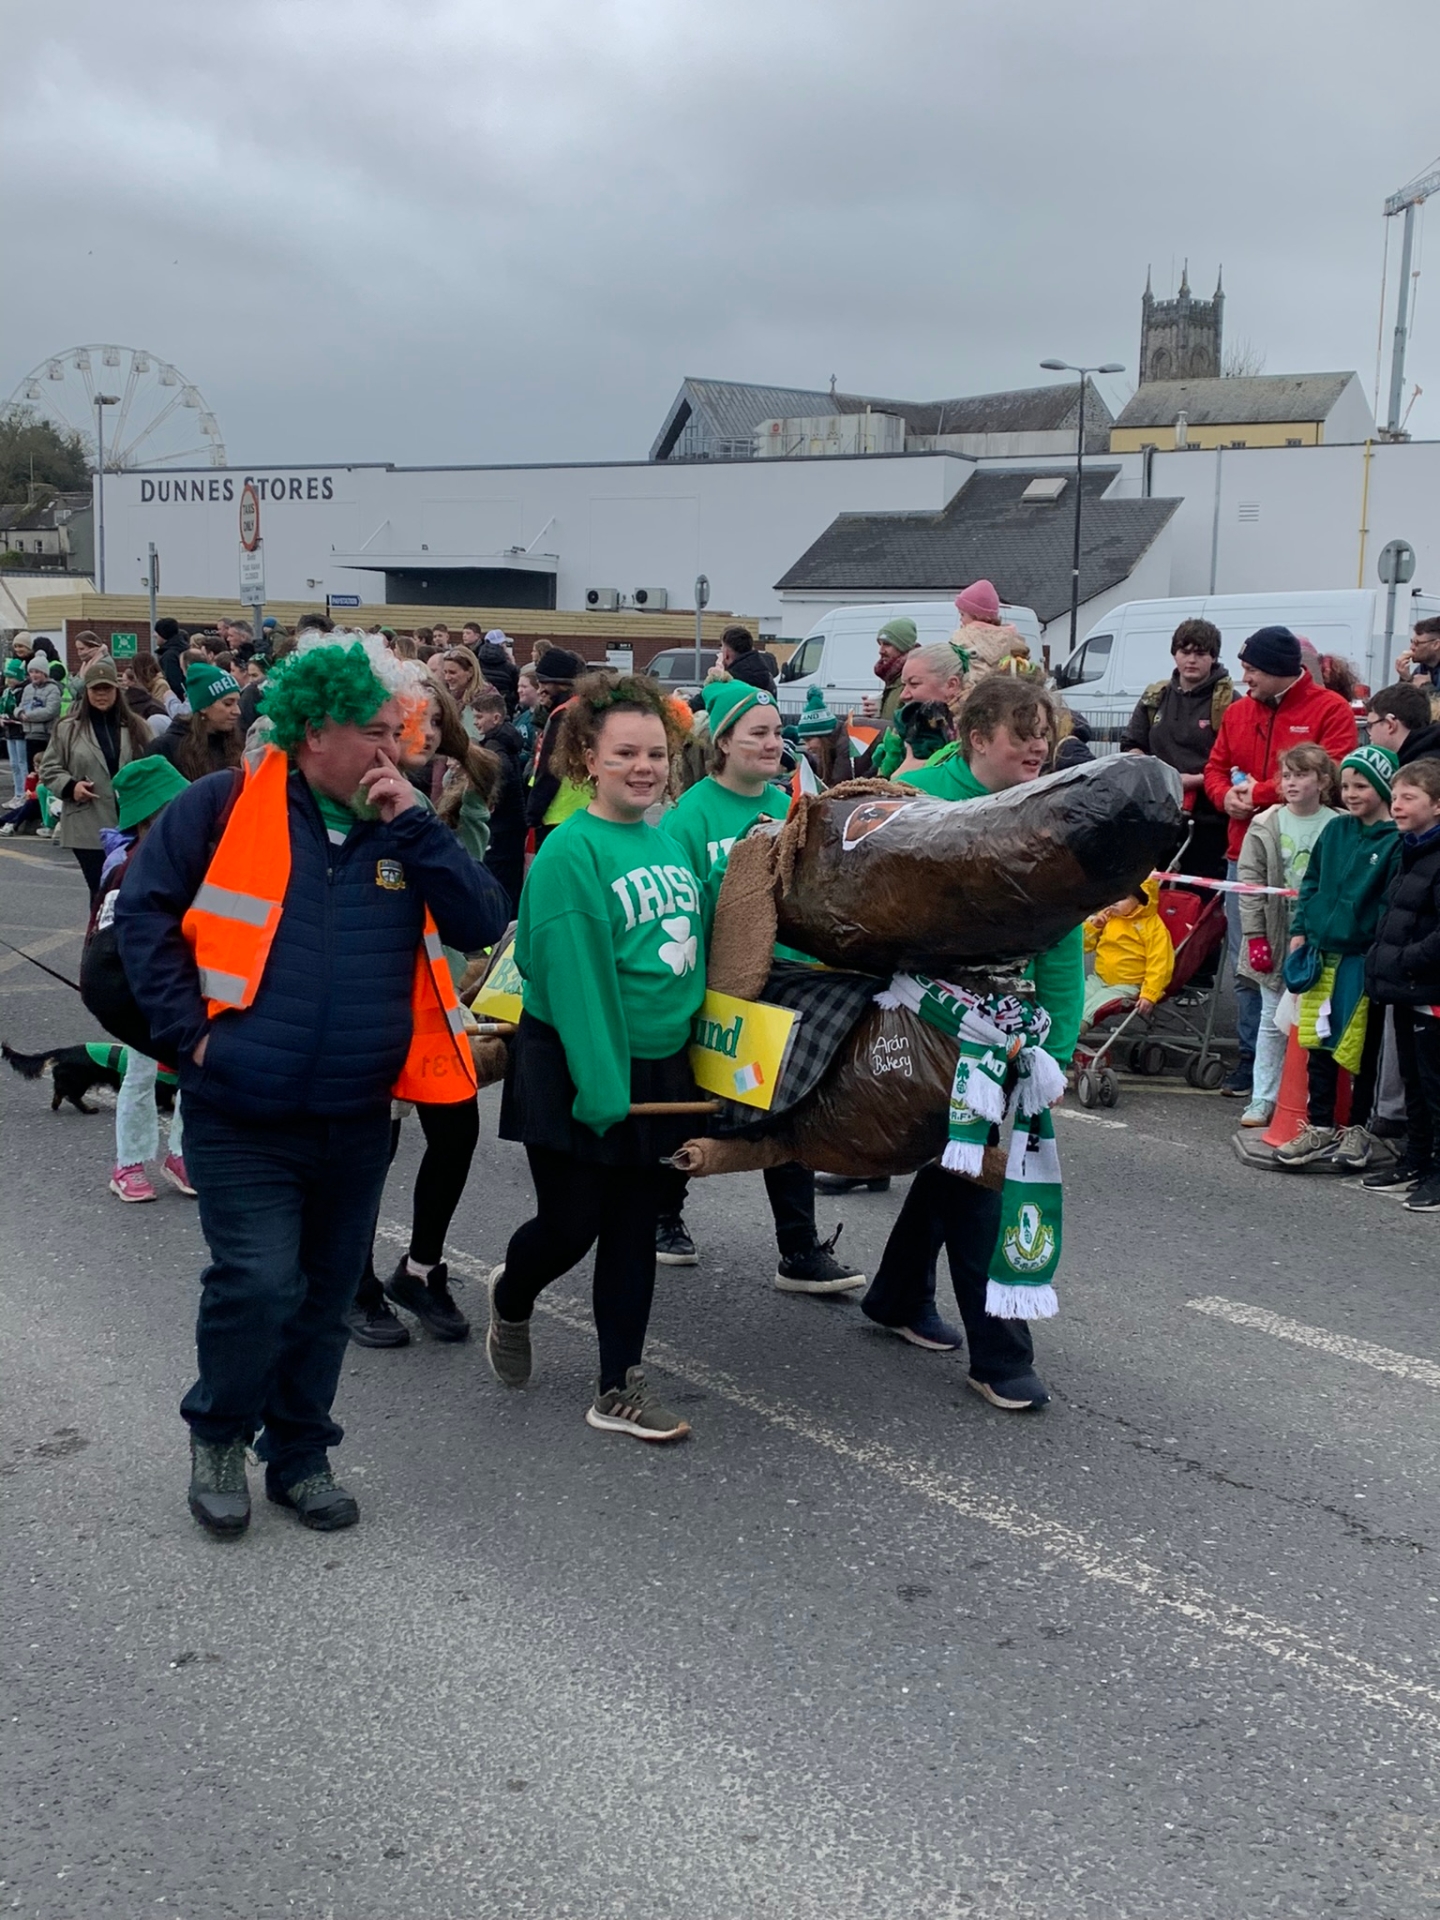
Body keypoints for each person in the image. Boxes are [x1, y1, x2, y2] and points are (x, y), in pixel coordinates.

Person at [115, 632, 509, 1537]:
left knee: (327, 1296)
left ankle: (299, 1453)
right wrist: (192, 1041)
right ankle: (220, 1435)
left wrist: (417, 825)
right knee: (257, 1283)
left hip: (356, 1113)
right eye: (375, 731)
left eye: (401, 731)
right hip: (240, 1105)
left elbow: (483, 921)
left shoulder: (404, 822)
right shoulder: (222, 805)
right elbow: (145, 916)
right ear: (315, 729)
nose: (395, 748)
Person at [485, 673, 705, 1442]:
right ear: (587, 758)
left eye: (656, 754)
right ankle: (512, 1296)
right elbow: (575, 978)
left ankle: (619, 1386)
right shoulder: (570, 850)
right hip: (578, 1061)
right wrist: (603, 1081)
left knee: (633, 1225)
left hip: (655, 1067)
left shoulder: (666, 840)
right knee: (571, 1224)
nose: (644, 767)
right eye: (625, 754)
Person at [858, 677, 1083, 1401]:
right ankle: (1002, 1358)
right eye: (1024, 733)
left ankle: (897, 1296)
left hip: (999, 1030)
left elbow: (1062, 942)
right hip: (913, 1018)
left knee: (956, 1160)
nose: (1039, 747)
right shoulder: (913, 798)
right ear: (978, 737)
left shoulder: (1047, 810)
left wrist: (1059, 1051)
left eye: (1044, 734)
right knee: (974, 1170)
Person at [659, 678, 866, 1291]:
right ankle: (662, 1215)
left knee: (793, 1107)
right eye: (758, 734)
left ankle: (798, 1250)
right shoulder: (690, 814)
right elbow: (681, 907)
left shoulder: (792, 806)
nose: (774, 743)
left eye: (778, 733)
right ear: (723, 743)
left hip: (788, 981)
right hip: (717, 985)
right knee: (699, 1105)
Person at [347, 676, 497, 1347]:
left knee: (457, 1132)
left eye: (438, 721)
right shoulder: (352, 804)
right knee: (372, 1149)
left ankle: (420, 1269)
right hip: (371, 1008)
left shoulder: (438, 795)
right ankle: (354, 1283)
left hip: (434, 1002)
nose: (427, 733)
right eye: (415, 720)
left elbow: (478, 910)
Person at [1203, 626, 1358, 1098]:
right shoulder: (1238, 711)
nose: (1245, 678)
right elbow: (1215, 767)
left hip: (1313, 865)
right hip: (1245, 856)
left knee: (1311, 962)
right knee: (1249, 964)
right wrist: (1224, 796)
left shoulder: (1330, 709)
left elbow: (1335, 771)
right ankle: (1252, 1060)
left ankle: (1307, 1065)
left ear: (1279, 670)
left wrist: (1260, 793)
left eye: (1252, 669)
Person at [1275, 745, 1401, 1173]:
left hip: (1361, 959)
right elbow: (1311, 883)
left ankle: (1359, 1128)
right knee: (1317, 1043)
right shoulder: (1335, 830)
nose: (1350, 794)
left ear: (1383, 787)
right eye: (1346, 786)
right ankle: (1320, 1126)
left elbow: (1389, 903)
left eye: (1361, 786)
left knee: (1361, 1048)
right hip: (1320, 954)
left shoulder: (1394, 841)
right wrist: (1301, 930)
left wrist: (1375, 948)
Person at [95, 757, 195, 1203]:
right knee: (139, 1074)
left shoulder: (189, 855)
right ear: (149, 819)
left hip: (190, 982)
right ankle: (128, 1163)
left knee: (194, 1073)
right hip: (143, 990)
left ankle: (181, 1154)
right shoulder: (126, 868)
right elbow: (110, 943)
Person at [1234, 744, 1343, 1129]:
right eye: (1287, 776)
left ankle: (1309, 1099)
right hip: (1276, 935)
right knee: (1271, 1020)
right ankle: (1262, 1097)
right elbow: (1249, 883)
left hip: (1321, 937)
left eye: (1301, 775)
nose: (1291, 783)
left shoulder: (1339, 824)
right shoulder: (1265, 823)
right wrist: (1255, 936)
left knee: (1318, 1020)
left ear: (1323, 782)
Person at [1364, 756, 1440, 1209]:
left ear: (1437, 805)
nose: (1396, 806)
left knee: (1435, 1084)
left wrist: (1406, 962)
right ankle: (1416, 1159)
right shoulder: (1409, 849)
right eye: (1394, 797)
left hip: (1429, 989)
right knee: (1412, 1079)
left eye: (1409, 797)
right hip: (1405, 988)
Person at [1120, 617, 1234, 883]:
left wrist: (1193, 781)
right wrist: (1151, 772)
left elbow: (1235, 761)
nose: (1191, 660)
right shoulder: (1155, 697)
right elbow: (1132, 744)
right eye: (1185, 651)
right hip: (1156, 814)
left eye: (1200, 653)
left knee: (1196, 895)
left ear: (1213, 657)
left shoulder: (1229, 703)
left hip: (1209, 821)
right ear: (1174, 654)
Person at [39, 656, 152, 897]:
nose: (102, 695)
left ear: (117, 691)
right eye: (95, 690)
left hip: (133, 822)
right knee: (101, 889)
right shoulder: (67, 728)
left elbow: (154, 767)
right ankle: (99, 924)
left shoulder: (138, 727)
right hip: (88, 824)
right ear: (87, 693)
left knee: (128, 890)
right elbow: (48, 768)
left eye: (107, 689)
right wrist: (71, 787)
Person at [1081, 879, 1174, 1025]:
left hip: (1129, 984)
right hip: (1100, 978)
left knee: (1092, 1008)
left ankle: (1075, 1031)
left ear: (1140, 900)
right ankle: (1054, 1028)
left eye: (1122, 898)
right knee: (1073, 1000)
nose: (1114, 902)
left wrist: (1150, 993)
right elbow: (1084, 946)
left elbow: (1160, 964)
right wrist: (1094, 927)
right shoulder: (1108, 916)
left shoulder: (1153, 928)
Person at [469, 685, 527, 911]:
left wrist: (488, 797)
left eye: (479, 717)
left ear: (495, 718)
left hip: (502, 827)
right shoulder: (505, 740)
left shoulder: (495, 748)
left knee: (498, 881)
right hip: (511, 825)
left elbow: (501, 774)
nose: (475, 722)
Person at [871, 643, 965, 780]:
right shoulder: (905, 728)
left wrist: (903, 778)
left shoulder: (974, 738)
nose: (903, 695)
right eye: (904, 685)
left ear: (951, 685)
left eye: (914, 684)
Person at [525, 646, 587, 843]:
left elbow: (550, 767)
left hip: (558, 812)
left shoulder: (562, 715)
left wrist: (533, 812)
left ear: (561, 684)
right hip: (585, 809)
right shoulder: (585, 707)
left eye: (543, 683)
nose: (540, 689)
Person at [147, 663, 244, 779]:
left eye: (237, 703)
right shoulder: (165, 748)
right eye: (228, 703)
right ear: (203, 707)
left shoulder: (235, 742)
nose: (237, 711)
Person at [950, 579, 1033, 688]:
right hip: (1010, 694)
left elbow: (962, 673)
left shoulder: (963, 637)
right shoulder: (1014, 640)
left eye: (962, 614)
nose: (961, 619)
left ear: (977, 615)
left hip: (976, 695)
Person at [1364, 682, 1440, 766]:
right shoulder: (1429, 753)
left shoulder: (1421, 770)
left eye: (1370, 726)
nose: (1370, 736)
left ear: (1390, 725)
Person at [862, 617, 919, 726]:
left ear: (903, 646)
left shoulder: (914, 679)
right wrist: (878, 714)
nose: (880, 651)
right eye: (880, 644)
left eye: (887, 644)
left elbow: (906, 728)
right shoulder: (893, 678)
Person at [17, 655, 61, 769]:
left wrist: (28, 716)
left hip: (45, 736)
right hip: (29, 734)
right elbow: (20, 706)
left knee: (44, 768)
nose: (34, 675)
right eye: (31, 672)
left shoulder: (53, 689)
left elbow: (50, 711)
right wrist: (19, 713)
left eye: (37, 672)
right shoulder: (27, 689)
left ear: (44, 673)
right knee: (31, 769)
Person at [707, 623, 775, 695]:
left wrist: (716, 677)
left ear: (726, 653)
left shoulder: (728, 681)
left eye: (722, 647)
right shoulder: (767, 677)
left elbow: (706, 698)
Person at [466, 624, 519, 711]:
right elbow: (516, 691)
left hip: (478, 709)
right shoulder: (510, 668)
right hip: (502, 710)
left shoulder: (475, 664)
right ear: (502, 645)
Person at [2, 657, 29, 796]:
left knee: (22, 762)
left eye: (11, 677)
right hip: (9, 731)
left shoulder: (24, 691)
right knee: (13, 764)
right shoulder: (7, 692)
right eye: (7, 677)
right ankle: (18, 793)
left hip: (20, 730)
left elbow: (23, 709)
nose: (8, 680)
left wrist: (11, 716)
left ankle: (25, 793)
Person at [1395, 616, 1440, 691]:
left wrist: (1426, 686)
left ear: (1436, 645)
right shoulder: (1422, 668)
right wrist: (1406, 679)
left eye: (1417, 643)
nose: (1411, 647)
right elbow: (1403, 698)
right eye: (1412, 642)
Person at [435, 646, 483, 715]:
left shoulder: (485, 701)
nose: (447, 678)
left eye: (452, 672)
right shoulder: (450, 697)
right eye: (445, 672)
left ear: (470, 672)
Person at [153, 617, 188, 697]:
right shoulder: (185, 650)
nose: (154, 635)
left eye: (157, 632)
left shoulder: (169, 656)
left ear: (163, 634)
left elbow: (173, 683)